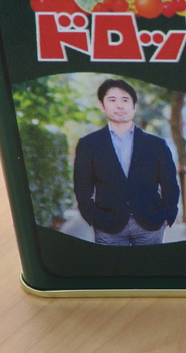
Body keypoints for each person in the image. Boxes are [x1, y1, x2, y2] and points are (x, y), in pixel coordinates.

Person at [73, 78, 179, 245]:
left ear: (134, 106)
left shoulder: (157, 144)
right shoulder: (88, 144)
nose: (119, 105)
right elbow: (82, 187)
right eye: (112, 100)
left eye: (125, 100)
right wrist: (93, 217)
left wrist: (167, 215)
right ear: (102, 105)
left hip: (150, 224)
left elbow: (170, 185)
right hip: (107, 226)